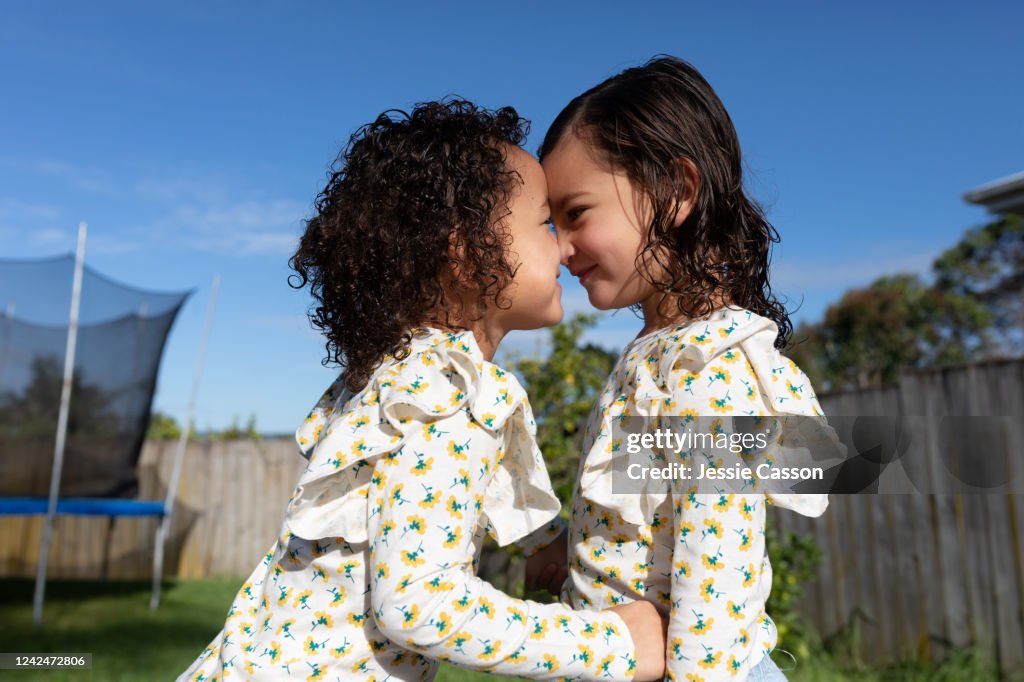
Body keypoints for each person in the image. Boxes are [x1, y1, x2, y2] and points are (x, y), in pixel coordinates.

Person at [178, 99, 667, 681]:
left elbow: (448, 474)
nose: (564, 246)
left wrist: (543, 536)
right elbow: (419, 606)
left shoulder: (407, 378)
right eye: (544, 223)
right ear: (466, 253)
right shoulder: (439, 397)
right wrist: (613, 646)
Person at [537, 57, 835, 681]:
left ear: (675, 193)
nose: (560, 249)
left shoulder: (710, 370)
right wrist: (574, 550)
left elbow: (715, 574)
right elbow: (652, 506)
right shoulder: (663, 351)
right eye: (552, 221)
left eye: (577, 213)